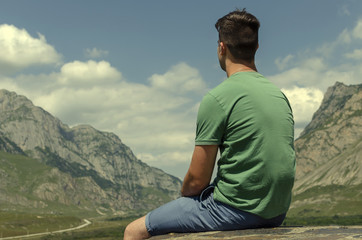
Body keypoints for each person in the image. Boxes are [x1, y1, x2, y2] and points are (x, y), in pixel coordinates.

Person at [124, 8, 295, 240]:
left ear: (221, 47)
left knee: (134, 230)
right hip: (276, 212)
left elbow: (196, 181)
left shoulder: (217, 98)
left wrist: (186, 197)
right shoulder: (279, 95)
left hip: (235, 211)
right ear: (256, 47)